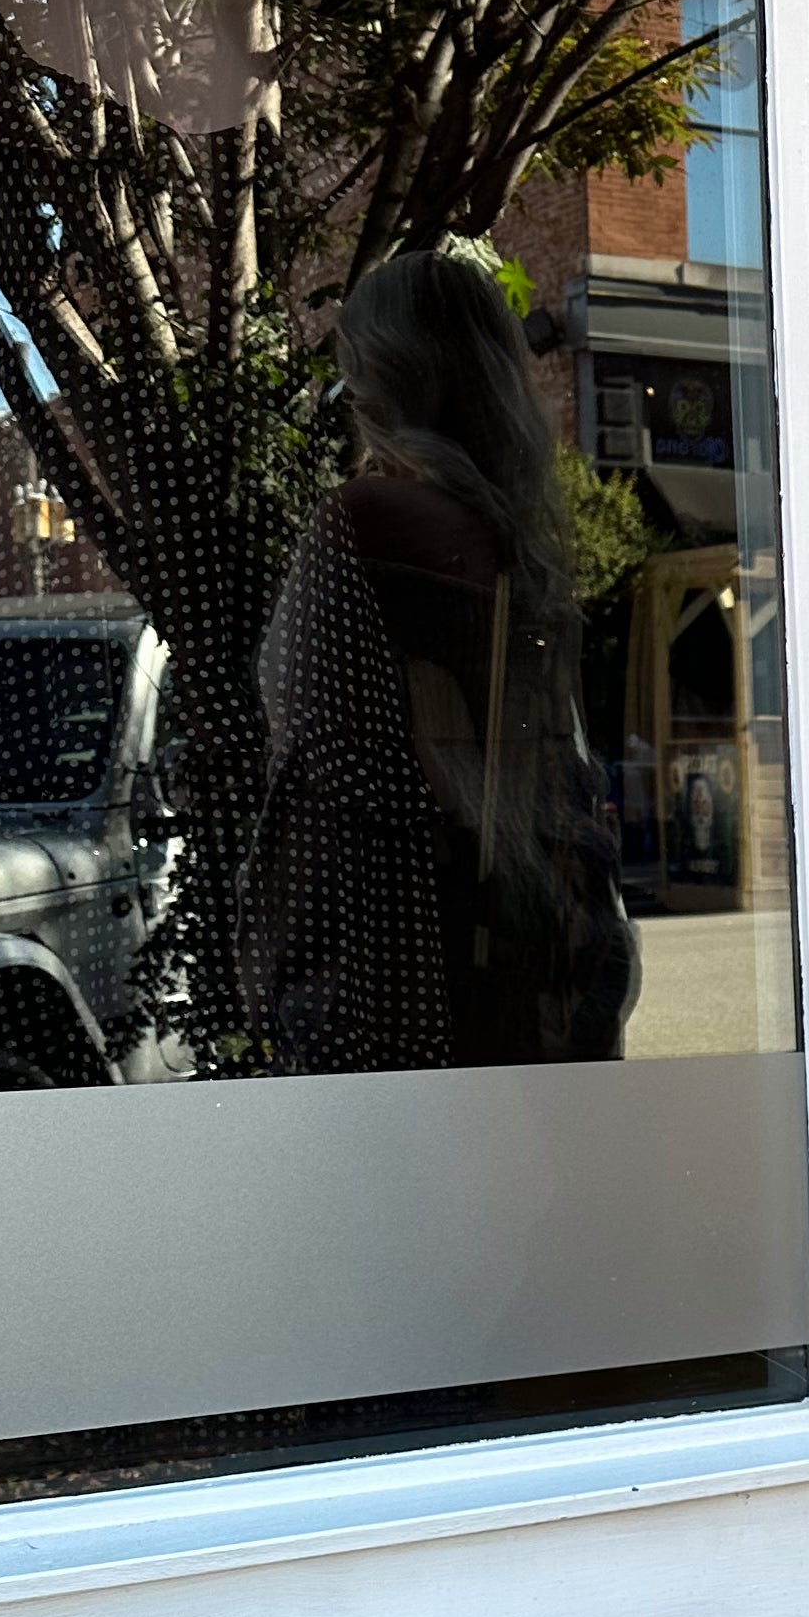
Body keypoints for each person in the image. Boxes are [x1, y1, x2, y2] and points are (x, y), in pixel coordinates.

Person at [238, 249, 634, 1072]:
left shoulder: (364, 520)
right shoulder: (519, 543)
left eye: (355, 370)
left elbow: (323, 751)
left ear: (386, 376)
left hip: (399, 958)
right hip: (536, 936)